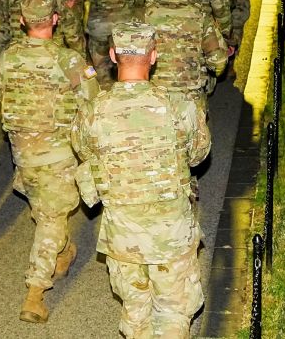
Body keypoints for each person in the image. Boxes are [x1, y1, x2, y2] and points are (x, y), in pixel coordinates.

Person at [72, 22, 210, 339]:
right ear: (153, 56)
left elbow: (84, 151)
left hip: (122, 237)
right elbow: (198, 155)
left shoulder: (92, 112)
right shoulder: (180, 107)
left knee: (136, 313)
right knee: (173, 314)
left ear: (112, 55)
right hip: (171, 232)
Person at [0, 0, 99, 323]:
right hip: (58, 155)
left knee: (48, 213)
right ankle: (35, 293)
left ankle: (63, 251)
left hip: (23, 154)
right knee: (51, 217)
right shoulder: (69, 60)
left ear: (23, 21)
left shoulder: (6, 59)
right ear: (55, 19)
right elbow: (92, 100)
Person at [145, 0, 228, 114]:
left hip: (153, 101)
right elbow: (219, 62)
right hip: (191, 101)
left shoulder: (144, 16)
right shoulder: (200, 16)